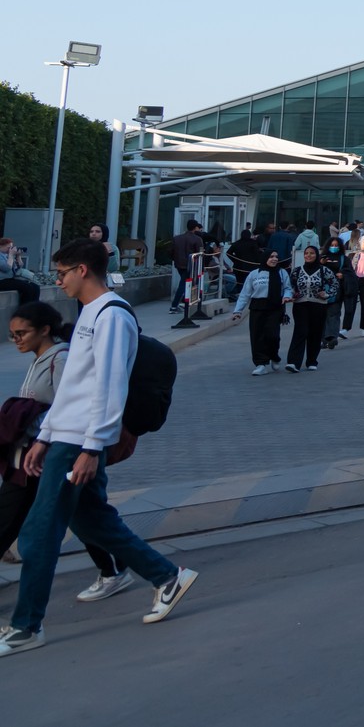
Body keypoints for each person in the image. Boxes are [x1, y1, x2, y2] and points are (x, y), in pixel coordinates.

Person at [0, 239, 198, 658]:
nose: (58, 281)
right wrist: (46, 434)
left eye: (62, 273)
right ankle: (168, 577)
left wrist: (92, 448)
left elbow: (111, 386)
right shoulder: (90, 312)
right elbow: (72, 387)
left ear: (83, 270)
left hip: (79, 443)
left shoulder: (111, 316)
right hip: (67, 437)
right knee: (94, 523)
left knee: (38, 535)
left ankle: (25, 627)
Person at [1, 301, 131, 602]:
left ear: (45, 330)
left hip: (49, 457)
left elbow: (70, 407)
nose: (17, 340)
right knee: (80, 516)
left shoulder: (60, 359)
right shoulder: (40, 358)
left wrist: (42, 435)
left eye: (22, 333)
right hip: (34, 457)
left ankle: (132, 570)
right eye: (13, 335)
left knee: (81, 516)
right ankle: (119, 569)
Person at [232, 251, 292, 375]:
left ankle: (274, 356)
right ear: (265, 258)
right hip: (257, 308)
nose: (274, 259)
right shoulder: (255, 274)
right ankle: (261, 363)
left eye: (276, 256)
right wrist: (238, 310)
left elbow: (287, 288)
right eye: (271, 257)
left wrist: (286, 296)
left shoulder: (282, 272)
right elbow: (245, 293)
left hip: (275, 308)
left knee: (273, 336)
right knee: (257, 336)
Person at [285, 246, 336, 371]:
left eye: (312, 253)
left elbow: (335, 284)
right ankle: (293, 362)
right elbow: (290, 286)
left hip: (318, 305)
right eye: (306, 253)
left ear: (316, 255)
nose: (308, 255)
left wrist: (327, 294)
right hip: (300, 305)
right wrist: (292, 294)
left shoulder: (324, 270)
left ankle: (312, 360)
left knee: (315, 332)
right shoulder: (297, 271)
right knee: (300, 331)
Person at [170, 219, 204, 313]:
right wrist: (201, 267)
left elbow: (171, 252)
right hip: (191, 265)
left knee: (185, 283)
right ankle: (174, 306)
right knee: (184, 284)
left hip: (179, 265)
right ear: (196, 228)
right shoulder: (197, 239)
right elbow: (200, 254)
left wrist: (175, 259)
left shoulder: (177, 238)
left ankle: (184, 301)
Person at [321, 238, 348, 349]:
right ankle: (323, 339)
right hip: (322, 291)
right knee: (322, 316)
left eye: (336, 245)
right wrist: (320, 263)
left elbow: (350, 272)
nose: (334, 247)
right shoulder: (322, 259)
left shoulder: (344, 259)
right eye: (332, 245)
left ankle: (332, 337)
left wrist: (343, 274)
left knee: (334, 314)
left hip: (337, 291)